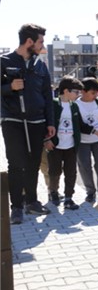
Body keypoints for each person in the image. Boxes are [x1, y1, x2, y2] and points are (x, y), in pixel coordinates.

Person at [1, 24, 55, 224]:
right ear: (29, 41)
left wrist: (50, 122)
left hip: (37, 121)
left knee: (33, 163)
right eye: (40, 41)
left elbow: (47, 96)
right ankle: (16, 207)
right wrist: (9, 87)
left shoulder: (40, 65)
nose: (42, 45)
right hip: (12, 120)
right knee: (16, 164)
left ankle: (31, 201)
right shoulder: (4, 61)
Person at [45, 76, 98, 210]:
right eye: (76, 92)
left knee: (71, 173)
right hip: (55, 145)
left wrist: (93, 130)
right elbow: (45, 123)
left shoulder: (73, 106)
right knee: (54, 171)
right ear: (66, 91)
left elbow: (79, 124)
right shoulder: (53, 104)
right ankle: (53, 192)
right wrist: (47, 140)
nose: (78, 95)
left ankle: (69, 198)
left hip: (71, 145)